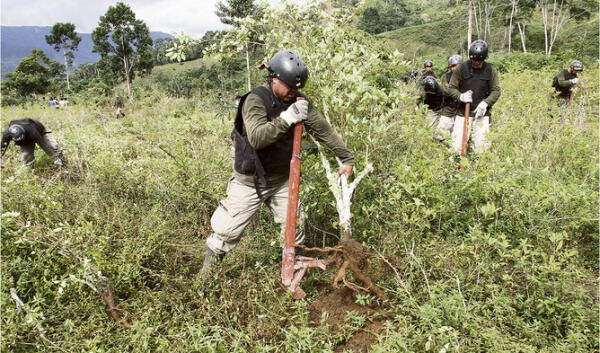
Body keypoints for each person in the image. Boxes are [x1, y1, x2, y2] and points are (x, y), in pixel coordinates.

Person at [201, 50, 354, 273]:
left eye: (297, 88)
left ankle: (291, 276)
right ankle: (206, 278)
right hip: (250, 181)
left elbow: (323, 130)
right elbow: (257, 138)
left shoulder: (298, 100)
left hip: (283, 180)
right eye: (289, 87)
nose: (293, 92)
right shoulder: (255, 100)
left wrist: (346, 157)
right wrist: (288, 118)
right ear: (274, 77)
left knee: (294, 231)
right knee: (226, 231)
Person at [447, 40, 501, 154]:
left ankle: (478, 168)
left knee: (481, 147)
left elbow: (496, 90)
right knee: (456, 147)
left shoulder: (490, 70)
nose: (476, 63)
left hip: (481, 114)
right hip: (463, 112)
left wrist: (486, 103)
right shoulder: (461, 68)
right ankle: (456, 167)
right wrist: (460, 96)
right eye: (474, 60)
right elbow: (451, 88)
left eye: (479, 61)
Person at [1, 118, 65, 167]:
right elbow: (2, 147)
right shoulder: (7, 133)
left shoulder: (31, 130)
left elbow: (43, 144)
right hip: (26, 140)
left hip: (40, 132)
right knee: (26, 155)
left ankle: (61, 162)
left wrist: (55, 158)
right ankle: (30, 168)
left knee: (53, 147)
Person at [435, 54, 464, 141]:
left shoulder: (466, 77)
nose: (454, 68)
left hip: (461, 109)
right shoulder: (446, 76)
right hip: (448, 108)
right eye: (452, 66)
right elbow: (446, 90)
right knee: (440, 133)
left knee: (459, 135)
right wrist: (460, 94)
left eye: (456, 65)